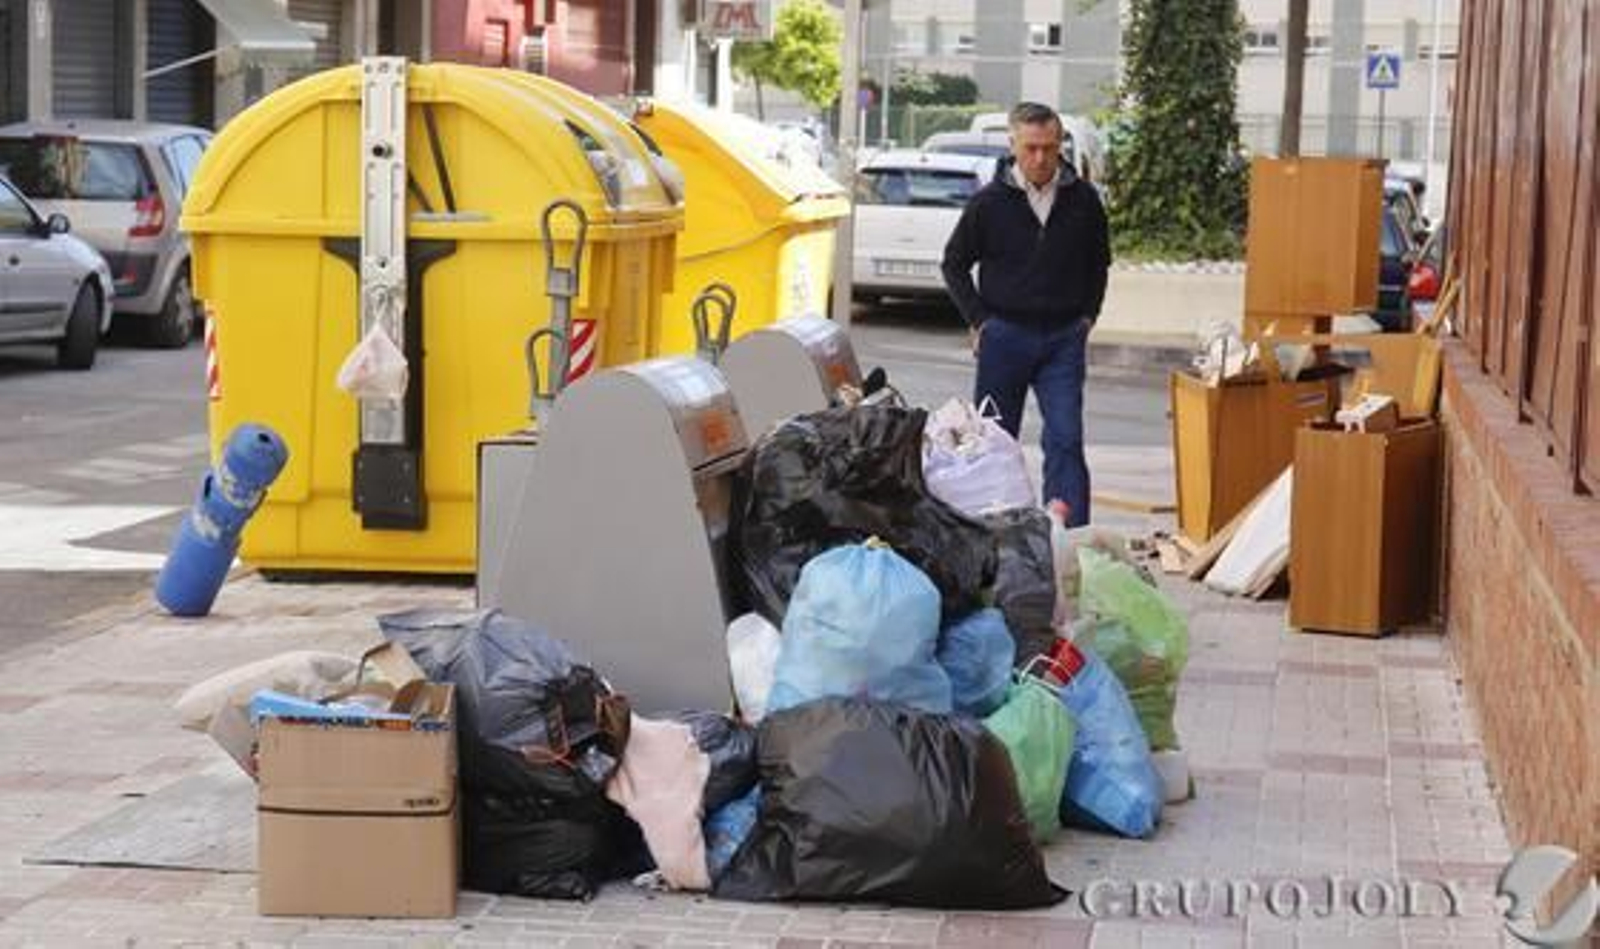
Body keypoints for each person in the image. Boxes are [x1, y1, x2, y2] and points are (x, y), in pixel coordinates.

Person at [940, 101, 1110, 527]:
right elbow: (954, 264)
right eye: (1031, 148)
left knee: (1066, 440)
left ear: (1060, 146)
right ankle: (992, 533)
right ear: (1013, 145)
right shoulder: (988, 203)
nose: (1041, 158)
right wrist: (980, 320)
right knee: (993, 444)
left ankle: (1069, 540)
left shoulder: (1084, 201)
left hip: (1063, 340)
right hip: (1004, 340)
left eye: (1050, 148)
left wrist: (1087, 318)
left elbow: (1099, 265)